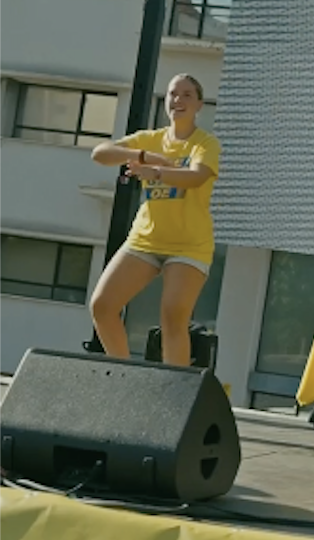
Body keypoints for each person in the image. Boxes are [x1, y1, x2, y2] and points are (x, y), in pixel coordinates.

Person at [88, 74, 221, 367]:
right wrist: (146, 156)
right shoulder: (151, 139)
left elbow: (196, 177)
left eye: (187, 94)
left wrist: (157, 173)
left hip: (189, 246)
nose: (179, 100)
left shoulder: (206, 143)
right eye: (173, 94)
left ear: (199, 104)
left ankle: (174, 392)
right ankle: (124, 375)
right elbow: (100, 153)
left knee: (173, 315)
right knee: (102, 306)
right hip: (145, 241)